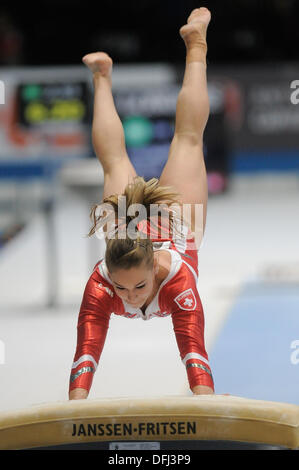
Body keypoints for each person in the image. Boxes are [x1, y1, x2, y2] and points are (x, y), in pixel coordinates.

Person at [69, 7, 214, 400]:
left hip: (151, 225)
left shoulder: (178, 283)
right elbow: (87, 349)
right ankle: (103, 74)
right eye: (122, 287)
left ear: (155, 268)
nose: (130, 296)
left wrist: (206, 404)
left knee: (181, 140)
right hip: (180, 222)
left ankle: (194, 44)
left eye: (137, 286)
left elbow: (193, 349)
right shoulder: (101, 284)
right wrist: (75, 412)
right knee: (165, 146)